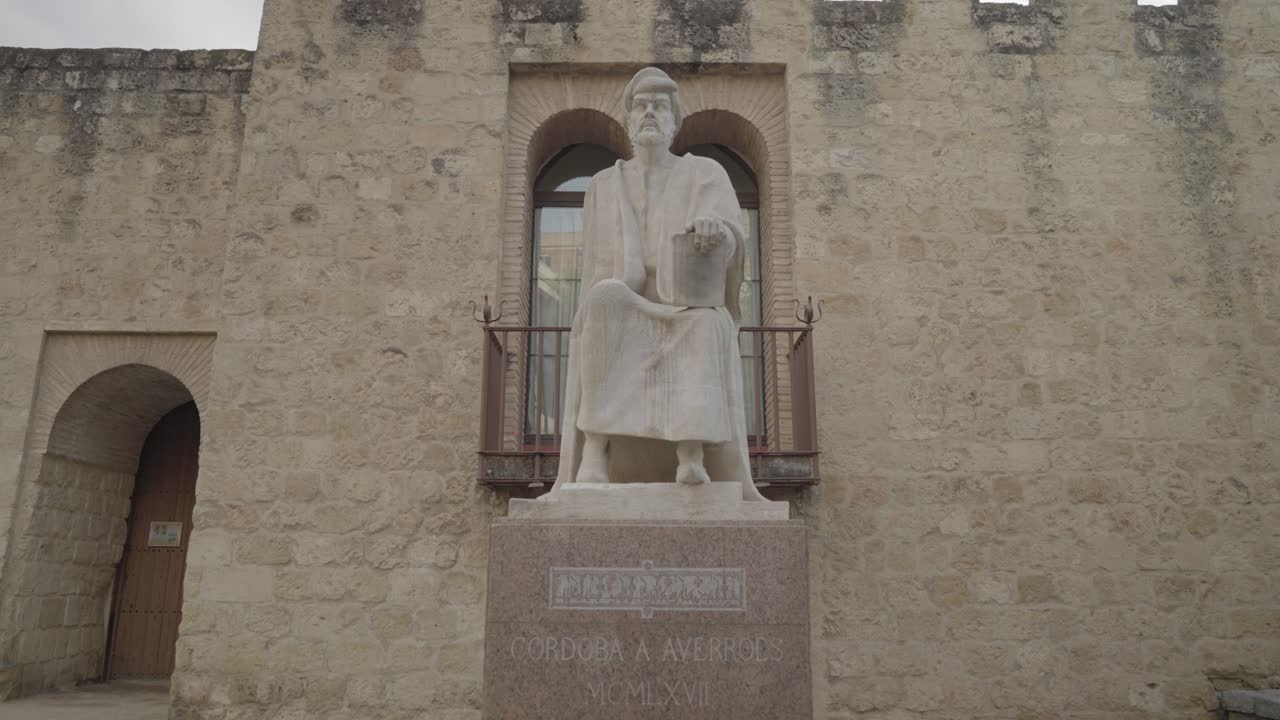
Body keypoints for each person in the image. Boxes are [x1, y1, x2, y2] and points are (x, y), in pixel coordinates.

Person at [548, 67, 767, 502]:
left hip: (683, 303)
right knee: (602, 299)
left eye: (660, 105)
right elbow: (596, 265)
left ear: (674, 120)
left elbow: (731, 236)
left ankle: (690, 455)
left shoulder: (705, 173)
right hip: (625, 301)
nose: (650, 112)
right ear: (628, 120)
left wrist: (716, 230)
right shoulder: (603, 185)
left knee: (706, 322)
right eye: (641, 106)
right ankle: (594, 452)